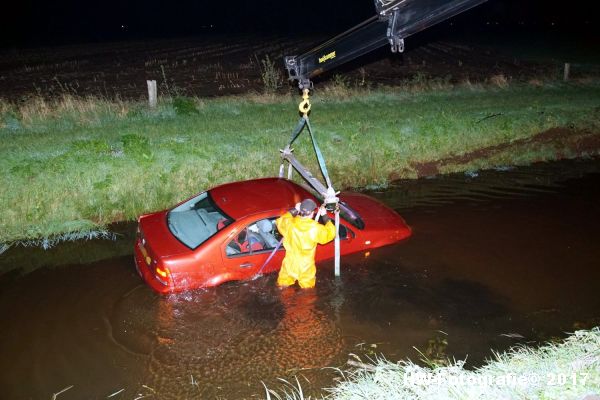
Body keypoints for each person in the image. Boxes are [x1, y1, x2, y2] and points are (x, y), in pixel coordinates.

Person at [275, 198, 336, 289]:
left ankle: (284, 301)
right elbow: (331, 233)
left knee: (283, 287)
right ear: (311, 214)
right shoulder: (315, 228)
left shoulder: (289, 223)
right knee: (307, 292)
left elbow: (280, 220)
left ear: (300, 211)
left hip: (289, 264)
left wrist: (295, 210)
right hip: (306, 266)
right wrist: (324, 216)